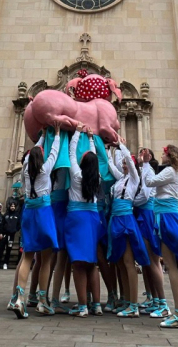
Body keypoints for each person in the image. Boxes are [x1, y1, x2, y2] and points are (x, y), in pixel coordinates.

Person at [141, 144, 178, 329]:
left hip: (167, 217)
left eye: (164, 154)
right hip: (164, 216)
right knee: (169, 264)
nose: (162, 156)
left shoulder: (170, 172)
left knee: (171, 265)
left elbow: (149, 182)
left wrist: (146, 164)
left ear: (169, 156)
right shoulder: (170, 173)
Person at [9, 129, 62, 319]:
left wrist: (40, 137)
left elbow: (30, 156)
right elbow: (55, 151)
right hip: (44, 212)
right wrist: (55, 134)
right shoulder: (45, 169)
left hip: (29, 212)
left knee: (27, 257)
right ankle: (42, 301)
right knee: (46, 259)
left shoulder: (24, 168)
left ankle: (19, 298)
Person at [62, 126, 103, 317]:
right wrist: (91, 139)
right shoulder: (97, 179)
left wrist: (78, 133)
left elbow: (71, 151)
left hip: (77, 218)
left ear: (82, 162)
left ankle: (82, 305)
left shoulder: (77, 175)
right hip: (93, 219)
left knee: (78, 263)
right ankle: (96, 304)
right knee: (92, 263)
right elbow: (94, 158)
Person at [107, 140, 151, 317]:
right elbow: (111, 165)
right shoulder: (121, 180)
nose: (124, 164)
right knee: (118, 261)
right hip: (115, 218)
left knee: (127, 261)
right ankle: (126, 299)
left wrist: (122, 146)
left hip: (125, 218)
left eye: (126, 163)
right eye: (123, 163)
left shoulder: (133, 179)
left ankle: (133, 305)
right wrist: (107, 150)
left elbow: (131, 163)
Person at [0, 198, 20, 270]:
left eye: (14, 206)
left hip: (11, 235)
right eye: (11, 206)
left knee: (9, 249)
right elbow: (2, 224)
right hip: (4, 234)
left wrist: (15, 230)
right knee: (1, 249)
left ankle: (5, 263)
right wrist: (1, 233)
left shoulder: (17, 215)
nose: (12, 207)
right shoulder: (6, 214)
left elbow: (19, 225)